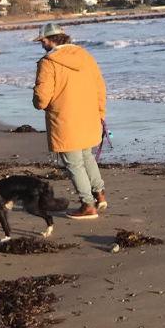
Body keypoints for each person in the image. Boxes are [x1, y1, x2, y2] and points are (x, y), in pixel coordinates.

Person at [31, 21, 108, 219]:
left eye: (43, 41)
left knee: (74, 163)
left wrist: (38, 103)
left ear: (50, 40)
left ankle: (87, 204)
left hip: (65, 119)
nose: (41, 44)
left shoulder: (48, 63)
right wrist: (101, 113)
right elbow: (100, 87)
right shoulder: (86, 56)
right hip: (89, 115)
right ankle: (99, 194)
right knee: (87, 156)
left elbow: (42, 97)